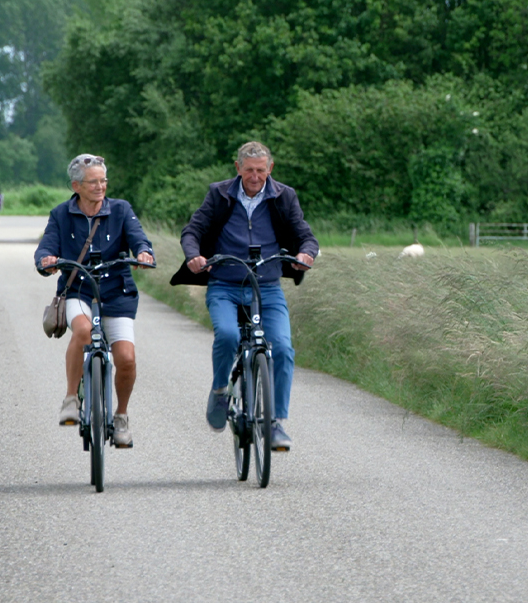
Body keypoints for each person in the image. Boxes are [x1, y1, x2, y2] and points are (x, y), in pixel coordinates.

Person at [171, 141, 318, 451]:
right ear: (237, 168)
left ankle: (274, 422)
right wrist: (194, 256)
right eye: (249, 170)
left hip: (266, 286)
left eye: (261, 170)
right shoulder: (219, 194)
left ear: (270, 169)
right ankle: (221, 390)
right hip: (224, 283)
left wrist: (306, 253)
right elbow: (192, 231)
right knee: (226, 335)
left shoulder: (284, 196)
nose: (255, 177)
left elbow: (305, 234)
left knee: (282, 347)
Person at [35, 154, 154, 446]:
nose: (100, 186)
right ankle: (71, 398)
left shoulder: (121, 210)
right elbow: (46, 247)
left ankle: (121, 417)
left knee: (126, 358)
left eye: (103, 180)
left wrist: (143, 253)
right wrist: (47, 260)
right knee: (84, 331)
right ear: (76, 185)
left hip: (117, 291)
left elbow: (138, 238)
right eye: (93, 182)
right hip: (79, 291)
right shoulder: (61, 214)